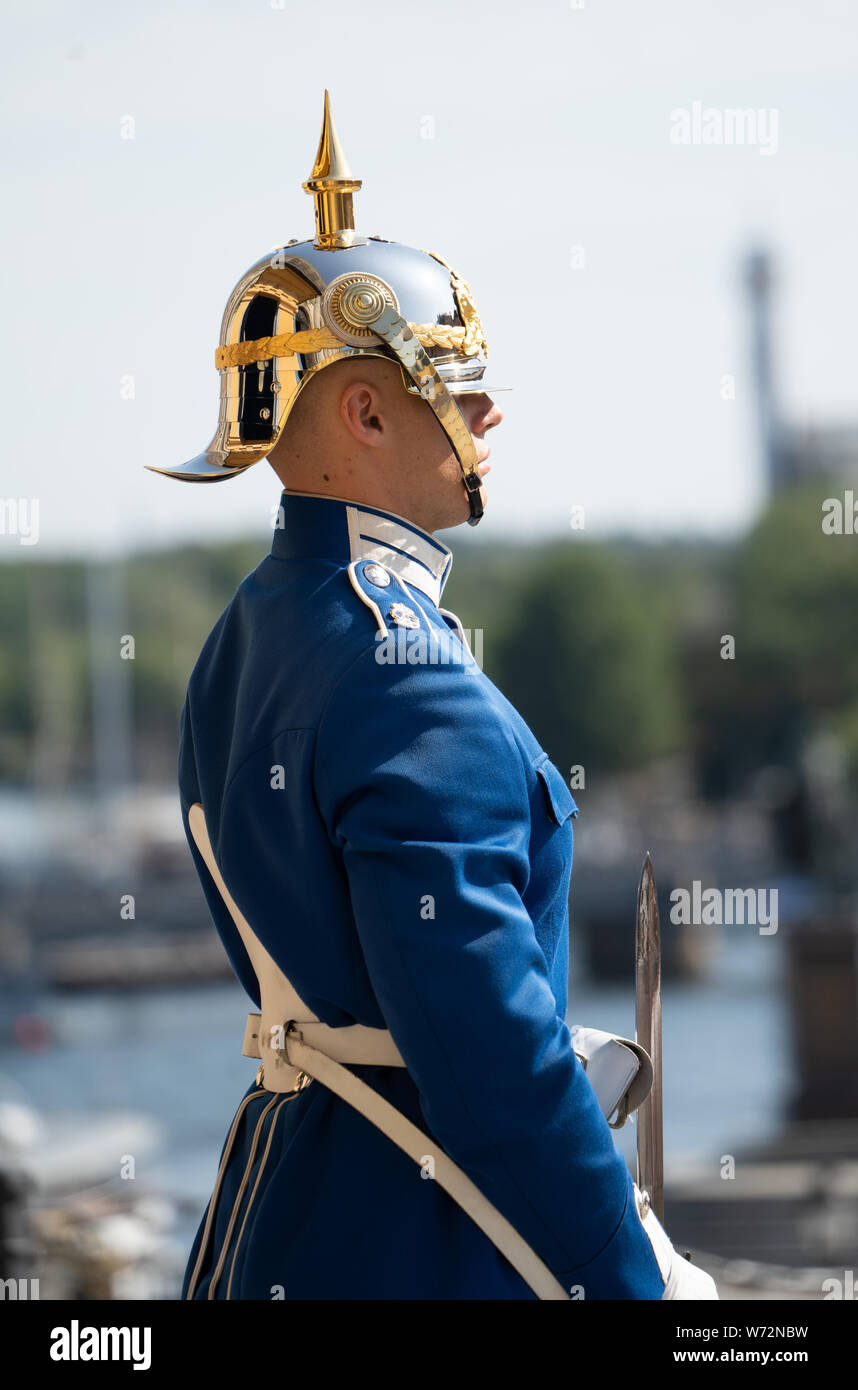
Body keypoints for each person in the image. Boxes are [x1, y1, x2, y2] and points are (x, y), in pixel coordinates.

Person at [147, 93, 717, 1301]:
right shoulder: (407, 676)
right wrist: (630, 1279)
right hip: (428, 1233)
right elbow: (488, 1053)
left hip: (282, 1202)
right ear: (363, 410)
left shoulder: (250, 628)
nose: (488, 411)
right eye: (456, 386)